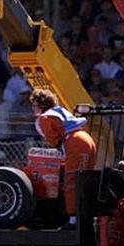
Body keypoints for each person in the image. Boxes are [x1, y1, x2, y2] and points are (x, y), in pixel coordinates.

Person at [30, 88, 96, 228]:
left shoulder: (45, 117)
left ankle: (73, 220)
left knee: (72, 181)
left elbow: (54, 141)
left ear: (41, 105)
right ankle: (87, 216)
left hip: (75, 143)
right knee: (86, 181)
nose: (32, 108)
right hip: (86, 139)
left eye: (34, 105)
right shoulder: (59, 111)